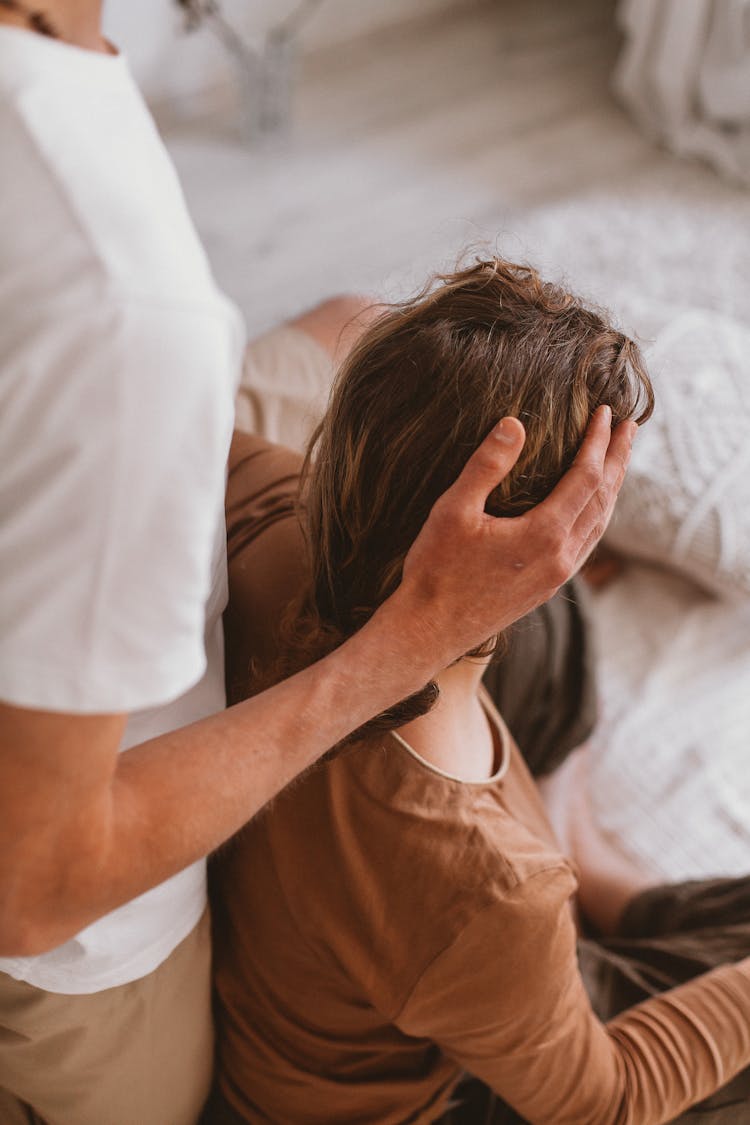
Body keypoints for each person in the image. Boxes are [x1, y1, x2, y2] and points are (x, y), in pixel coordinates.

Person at [0, 4, 636, 1123]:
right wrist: (400, 650)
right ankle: (591, 834)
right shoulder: (129, 316)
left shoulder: (242, 481)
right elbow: (35, 892)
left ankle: (588, 826)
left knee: (339, 319)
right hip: (83, 935)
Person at [207, 258, 750, 1125]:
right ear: (548, 548)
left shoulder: (264, 516)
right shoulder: (493, 892)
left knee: (556, 641)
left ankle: (593, 859)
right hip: (433, 1089)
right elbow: (605, 1101)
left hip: (326, 968)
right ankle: (612, 891)